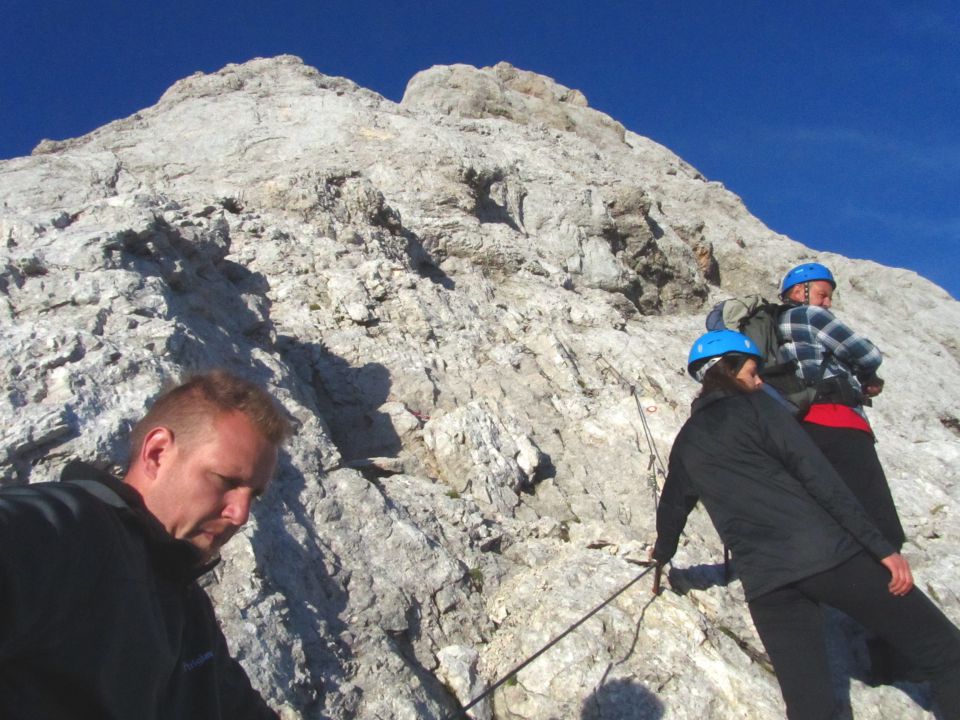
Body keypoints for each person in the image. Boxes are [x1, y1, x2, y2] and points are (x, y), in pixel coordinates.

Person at [652, 330, 960, 719]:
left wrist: (661, 557)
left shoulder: (687, 440)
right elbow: (823, 481)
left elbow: (673, 506)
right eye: (752, 371)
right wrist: (882, 548)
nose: (760, 380)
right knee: (947, 655)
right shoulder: (761, 409)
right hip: (829, 558)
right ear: (728, 370)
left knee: (809, 708)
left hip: (767, 584)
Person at [0, 370, 289, 719]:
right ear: (156, 453)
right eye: (226, 480)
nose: (240, 514)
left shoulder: (187, 612)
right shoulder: (69, 531)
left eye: (253, 495)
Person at [777, 262, 904, 550]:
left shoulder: (776, 326)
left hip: (801, 427)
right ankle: (888, 579)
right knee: (877, 516)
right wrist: (864, 375)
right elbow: (868, 354)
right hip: (839, 420)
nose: (827, 302)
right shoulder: (810, 315)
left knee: (833, 511)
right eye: (823, 294)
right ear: (799, 291)